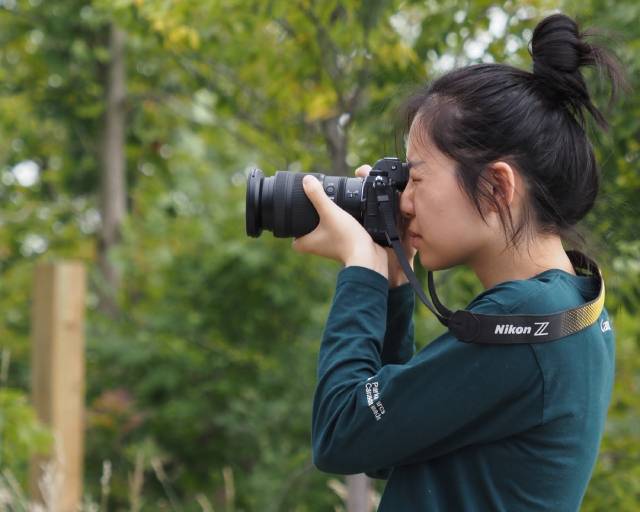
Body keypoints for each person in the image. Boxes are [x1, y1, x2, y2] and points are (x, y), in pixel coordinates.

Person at [291, 12, 624, 512]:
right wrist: (396, 280)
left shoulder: (528, 323)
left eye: (419, 180)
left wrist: (361, 270)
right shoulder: (569, 305)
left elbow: (340, 432)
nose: (405, 202)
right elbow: (387, 443)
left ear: (496, 187)